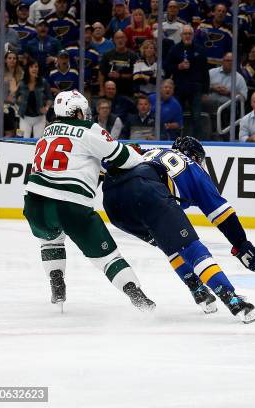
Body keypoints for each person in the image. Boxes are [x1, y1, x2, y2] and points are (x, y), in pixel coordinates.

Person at [101, 137, 255, 323]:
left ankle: (199, 291)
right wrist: (242, 244)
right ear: (195, 156)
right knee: (190, 247)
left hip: (113, 202)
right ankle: (232, 299)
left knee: (169, 242)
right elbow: (223, 215)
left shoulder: (151, 151)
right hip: (147, 191)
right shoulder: (194, 169)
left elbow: (114, 157)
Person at [22, 90, 155, 311]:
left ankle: (56, 283)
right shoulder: (88, 129)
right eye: (83, 110)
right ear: (75, 111)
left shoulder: (46, 132)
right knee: (109, 258)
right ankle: (138, 296)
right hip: (70, 205)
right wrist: (136, 153)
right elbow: (126, 159)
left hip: (34, 203)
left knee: (50, 240)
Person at [164, 24, 209, 139]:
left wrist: (205, 91)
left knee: (196, 117)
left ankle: (197, 141)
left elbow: (205, 71)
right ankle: (176, 140)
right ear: (181, 35)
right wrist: (178, 67)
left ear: (193, 35)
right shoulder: (175, 49)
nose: (187, 36)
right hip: (179, 87)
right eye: (185, 33)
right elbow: (167, 67)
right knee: (176, 115)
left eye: (190, 33)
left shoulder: (200, 49)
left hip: (196, 87)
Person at [15, 59, 52, 138]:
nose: (34, 69)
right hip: (24, 118)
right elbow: (14, 97)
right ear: (27, 69)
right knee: (23, 141)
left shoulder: (43, 82)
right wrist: (18, 100)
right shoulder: (21, 83)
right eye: (31, 67)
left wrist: (47, 108)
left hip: (39, 118)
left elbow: (50, 98)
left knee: (38, 142)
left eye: (36, 67)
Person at [99, 30, 138, 97]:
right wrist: (102, 89)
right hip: (109, 92)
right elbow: (101, 73)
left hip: (127, 91)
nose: (120, 40)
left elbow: (136, 75)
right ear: (113, 40)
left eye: (122, 37)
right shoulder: (107, 55)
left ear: (126, 39)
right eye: (117, 38)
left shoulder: (133, 56)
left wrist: (120, 76)